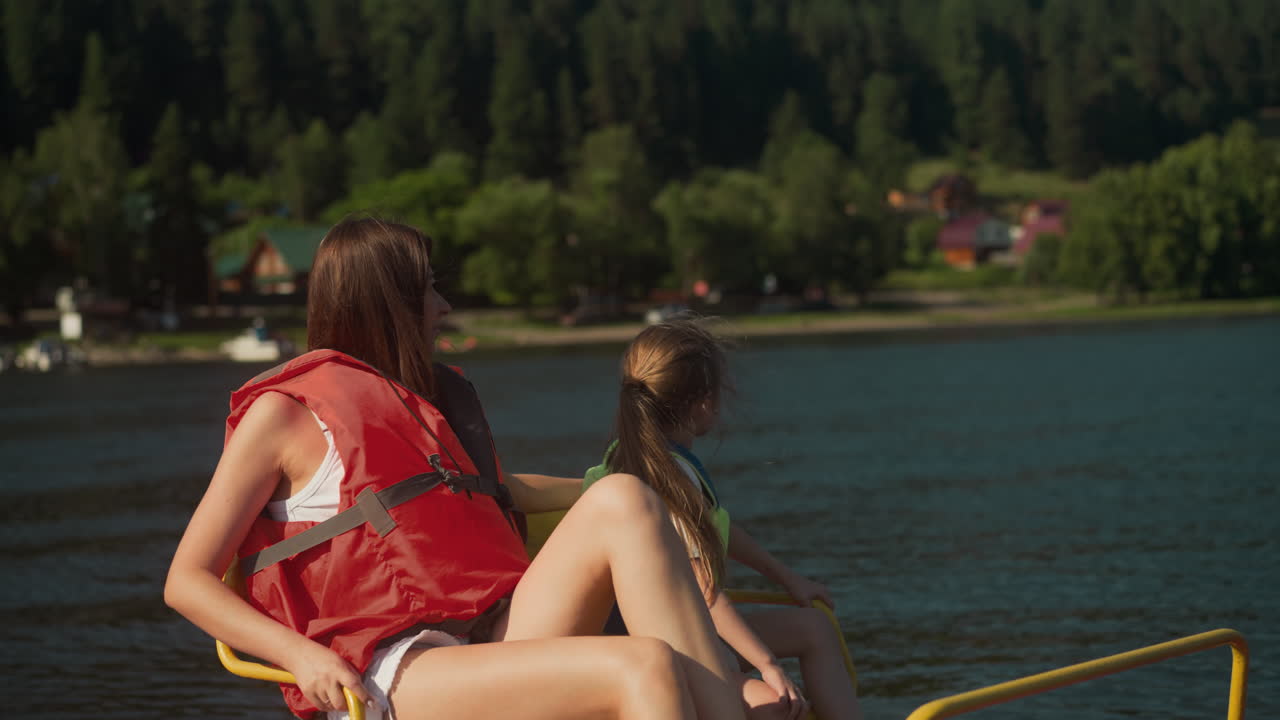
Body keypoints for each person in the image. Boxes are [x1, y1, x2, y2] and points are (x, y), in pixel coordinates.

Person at [164, 217, 748, 720]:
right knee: (643, 663)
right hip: (393, 670)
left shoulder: (421, 404)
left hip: (488, 633)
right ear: (389, 303)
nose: (443, 307)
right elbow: (187, 581)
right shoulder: (282, 415)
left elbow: (496, 494)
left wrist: (626, 486)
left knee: (625, 497)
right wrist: (299, 655)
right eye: (428, 290)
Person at [583, 317, 864, 720]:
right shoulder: (670, 475)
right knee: (777, 704)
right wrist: (768, 664)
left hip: (679, 630)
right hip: (662, 645)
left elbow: (717, 529)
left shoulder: (625, 457)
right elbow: (705, 590)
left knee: (814, 629)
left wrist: (787, 578)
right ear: (705, 402)